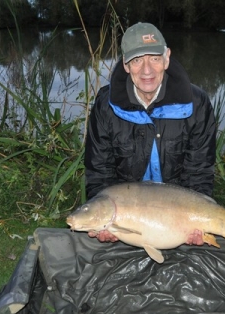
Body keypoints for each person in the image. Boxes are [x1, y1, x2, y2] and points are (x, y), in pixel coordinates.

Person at [84, 22, 216, 245]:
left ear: (167, 58)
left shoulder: (197, 104)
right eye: (137, 60)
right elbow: (99, 173)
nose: (147, 70)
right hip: (129, 213)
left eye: (154, 58)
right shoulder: (105, 107)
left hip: (177, 212)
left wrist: (197, 218)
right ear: (125, 64)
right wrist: (105, 219)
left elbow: (199, 172)